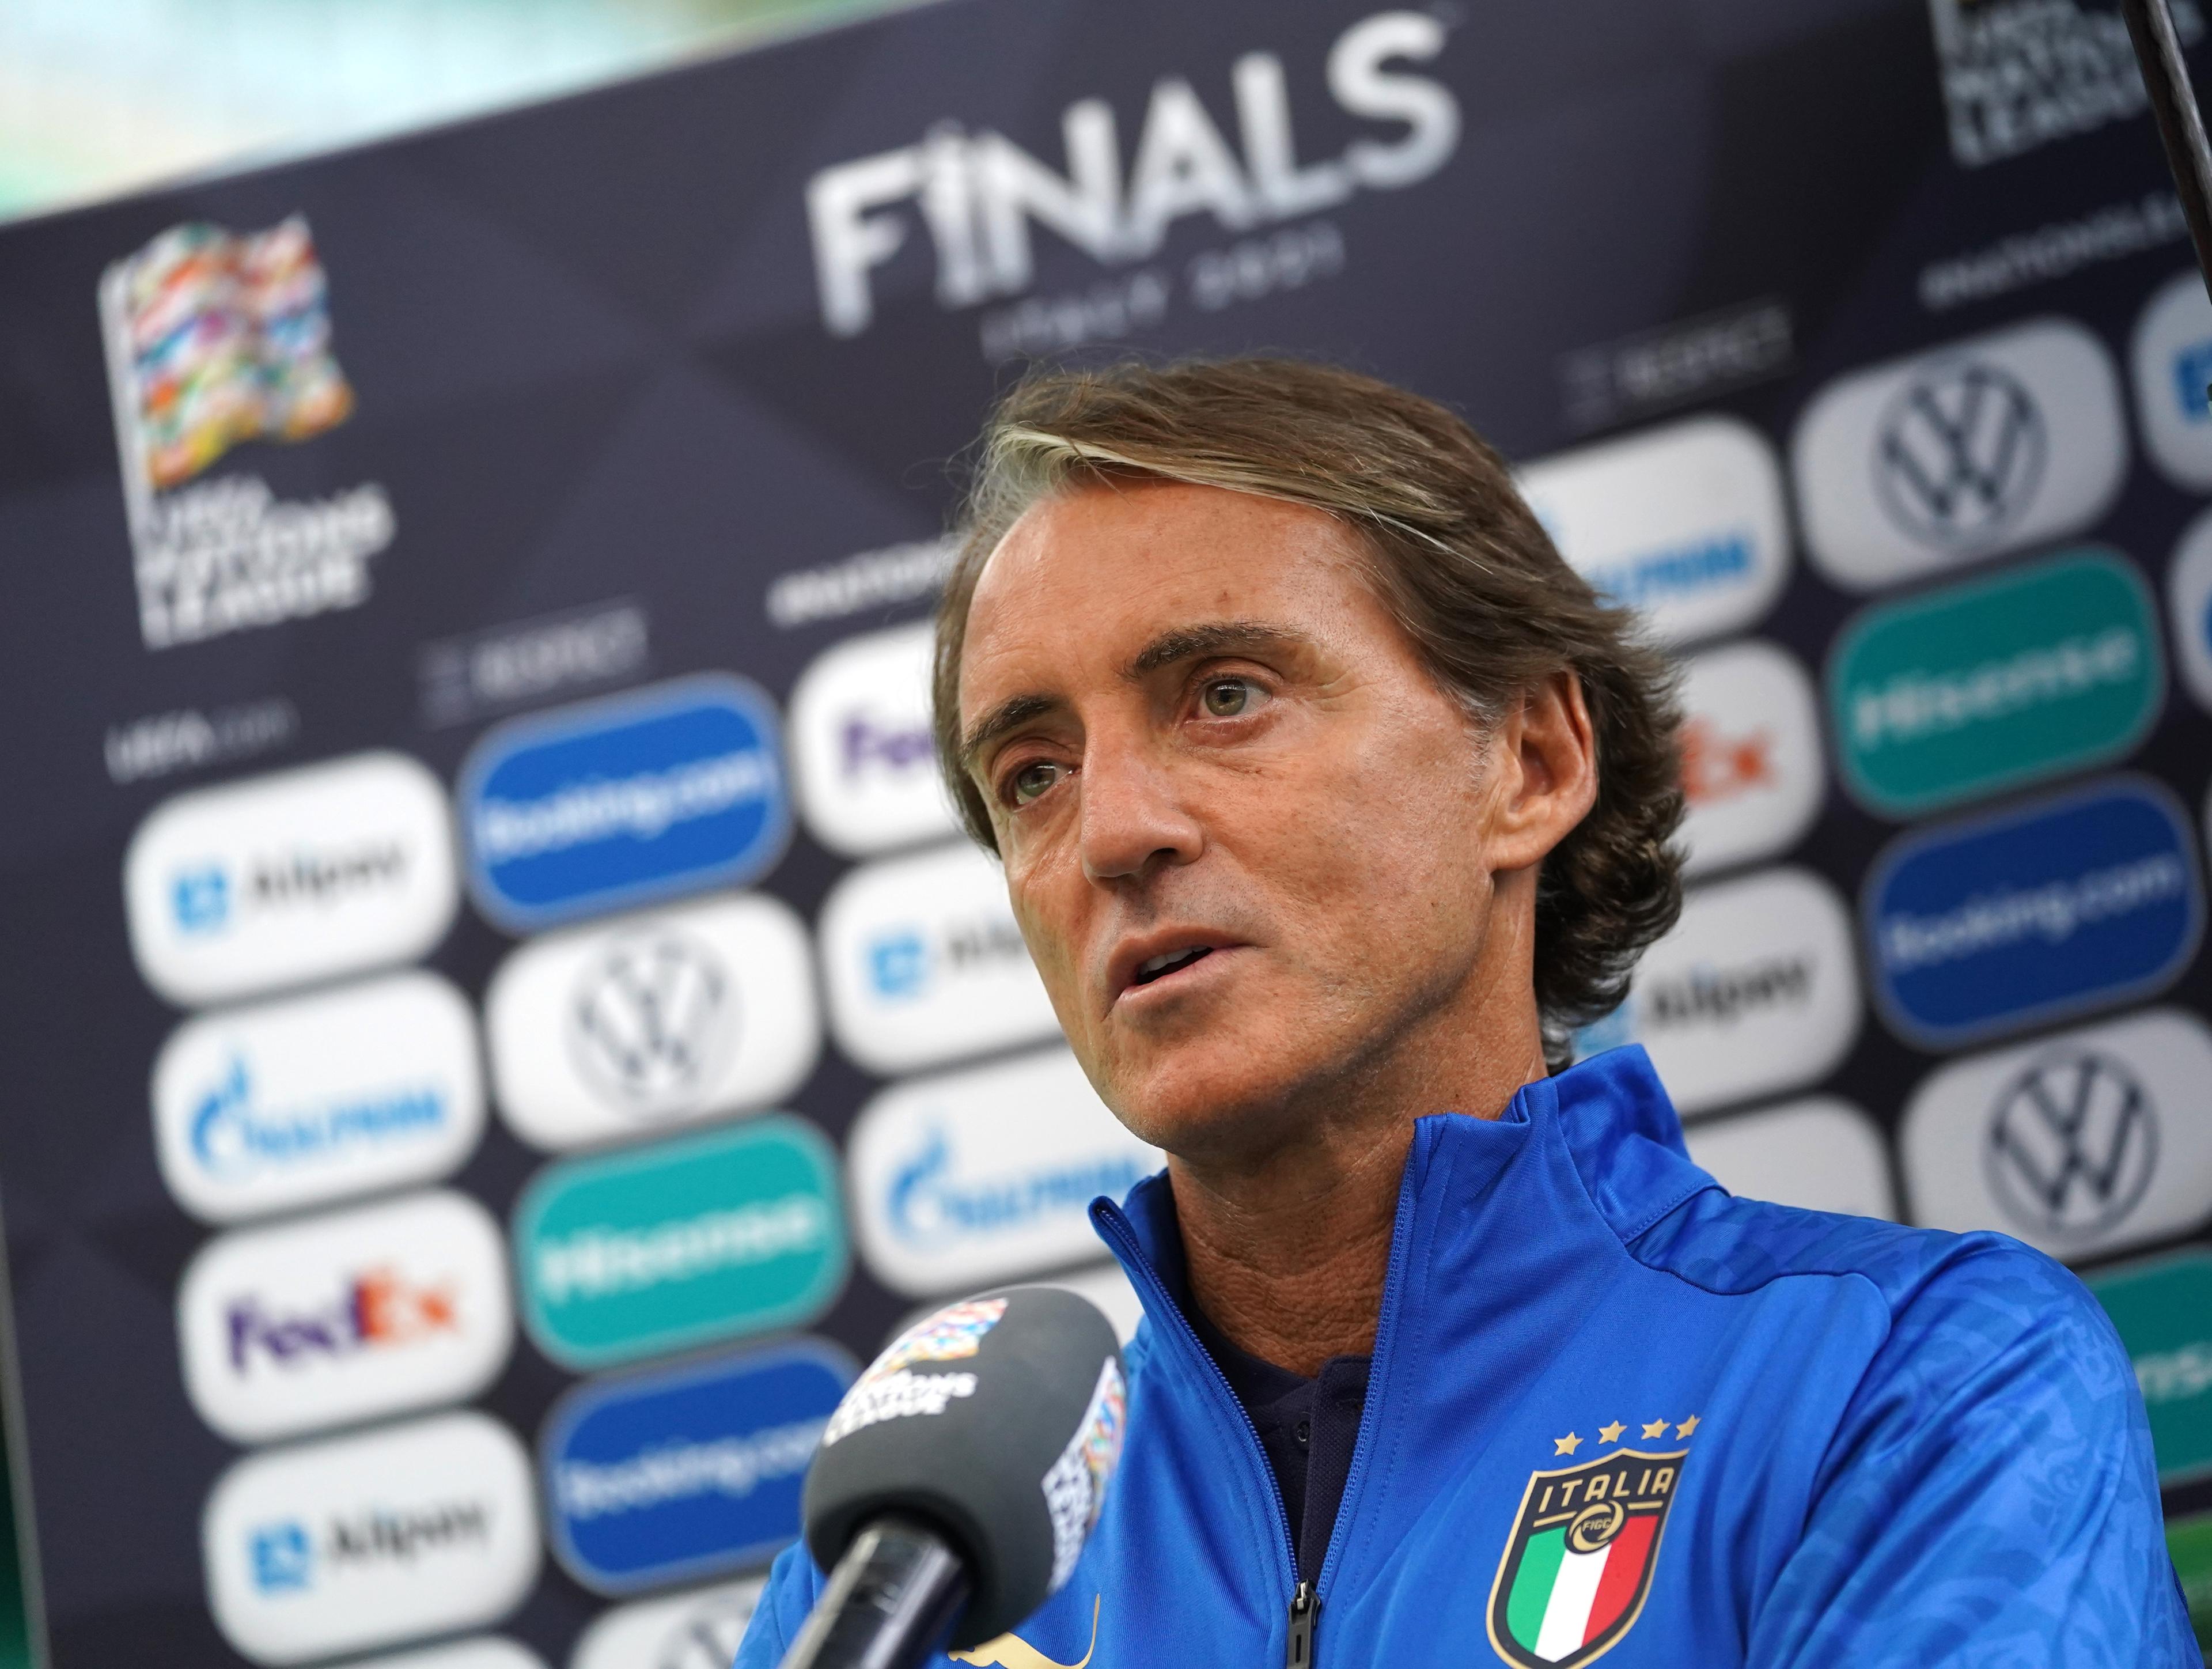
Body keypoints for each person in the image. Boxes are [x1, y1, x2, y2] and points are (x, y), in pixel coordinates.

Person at [736, 358, 2192, 1668]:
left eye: (1225, 695)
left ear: (1532, 762)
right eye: (1034, 777)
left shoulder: (1917, 1381)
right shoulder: (907, 1582)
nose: (1114, 831)